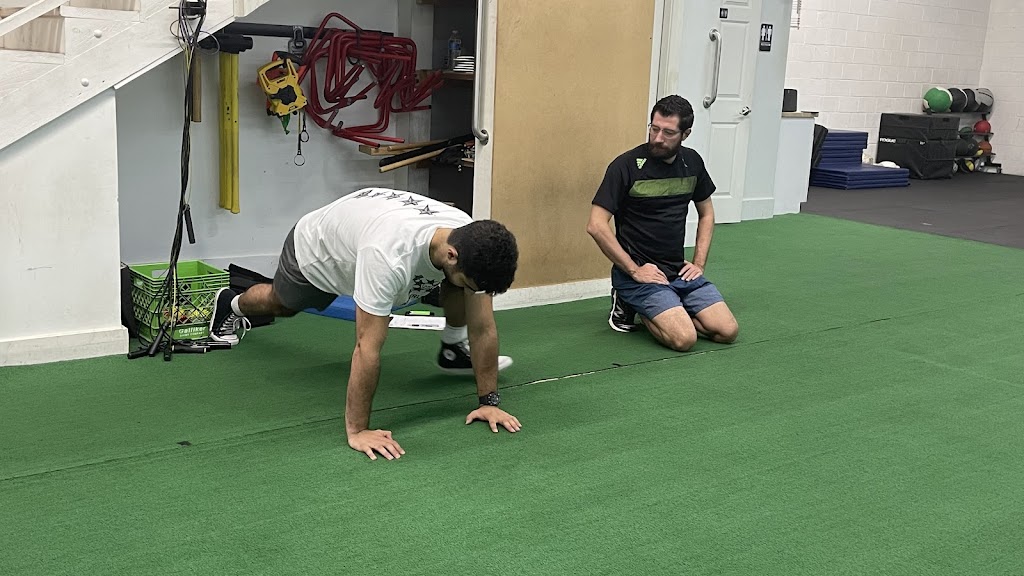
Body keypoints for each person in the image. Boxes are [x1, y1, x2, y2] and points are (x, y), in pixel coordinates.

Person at [208, 188, 522, 461]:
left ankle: (452, 349)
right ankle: (231, 304)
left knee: (460, 288)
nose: (473, 290)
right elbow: (366, 347)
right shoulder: (387, 257)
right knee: (282, 304)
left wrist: (489, 402)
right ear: (451, 255)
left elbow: (483, 327)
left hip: (367, 227)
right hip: (317, 252)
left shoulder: (465, 234)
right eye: (470, 282)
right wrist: (358, 430)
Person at [587, 95, 739, 351]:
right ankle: (630, 300)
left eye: (668, 133)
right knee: (684, 339)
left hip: (678, 271)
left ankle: (673, 306)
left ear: (685, 134)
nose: (658, 138)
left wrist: (699, 263)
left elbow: (707, 213)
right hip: (641, 274)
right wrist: (634, 270)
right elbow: (596, 225)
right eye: (654, 128)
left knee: (727, 331)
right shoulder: (625, 166)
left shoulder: (692, 162)